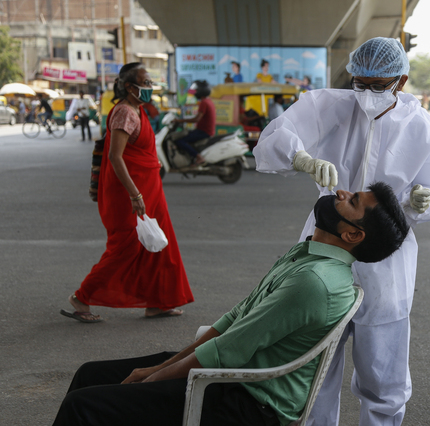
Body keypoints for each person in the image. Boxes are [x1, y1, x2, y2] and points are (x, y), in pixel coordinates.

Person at [52, 183, 410, 426]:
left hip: (252, 402)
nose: (342, 192)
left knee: (81, 407)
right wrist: (165, 365)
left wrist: (155, 377)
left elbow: (232, 349)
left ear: (352, 234)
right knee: (90, 374)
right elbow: (236, 320)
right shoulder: (307, 255)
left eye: (353, 201)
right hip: (233, 375)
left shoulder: (314, 281)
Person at [254, 37, 430, 425]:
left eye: (377, 85)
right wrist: (300, 157)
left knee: (383, 375)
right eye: (359, 83)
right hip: (326, 243)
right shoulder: (328, 105)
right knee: (313, 366)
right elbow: (275, 138)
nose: (366, 94)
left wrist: (424, 199)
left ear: (400, 81)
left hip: (385, 258)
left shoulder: (424, 131)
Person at [60, 62, 193, 323]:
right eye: (145, 83)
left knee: (160, 246)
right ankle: (81, 297)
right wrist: (135, 194)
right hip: (128, 193)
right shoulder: (124, 113)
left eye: (150, 83)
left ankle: (158, 302)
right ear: (130, 87)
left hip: (150, 190)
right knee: (126, 247)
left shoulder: (138, 110)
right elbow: (116, 157)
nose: (150, 88)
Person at [174, 80, 216, 165]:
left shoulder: (204, 102)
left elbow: (197, 119)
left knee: (180, 141)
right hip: (205, 130)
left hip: (204, 132)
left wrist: (180, 120)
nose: (194, 93)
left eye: (196, 91)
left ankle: (198, 157)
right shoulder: (208, 101)